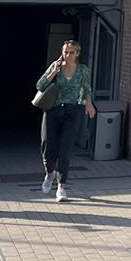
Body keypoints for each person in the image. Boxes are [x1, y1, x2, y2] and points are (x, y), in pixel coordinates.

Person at [36, 40, 97, 202]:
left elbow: (86, 88)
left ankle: (61, 187)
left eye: (71, 52)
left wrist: (89, 104)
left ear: (77, 54)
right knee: (48, 145)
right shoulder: (56, 66)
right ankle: (49, 173)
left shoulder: (83, 70)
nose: (67, 55)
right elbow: (40, 86)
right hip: (53, 110)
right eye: (65, 52)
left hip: (73, 110)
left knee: (65, 149)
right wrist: (52, 73)